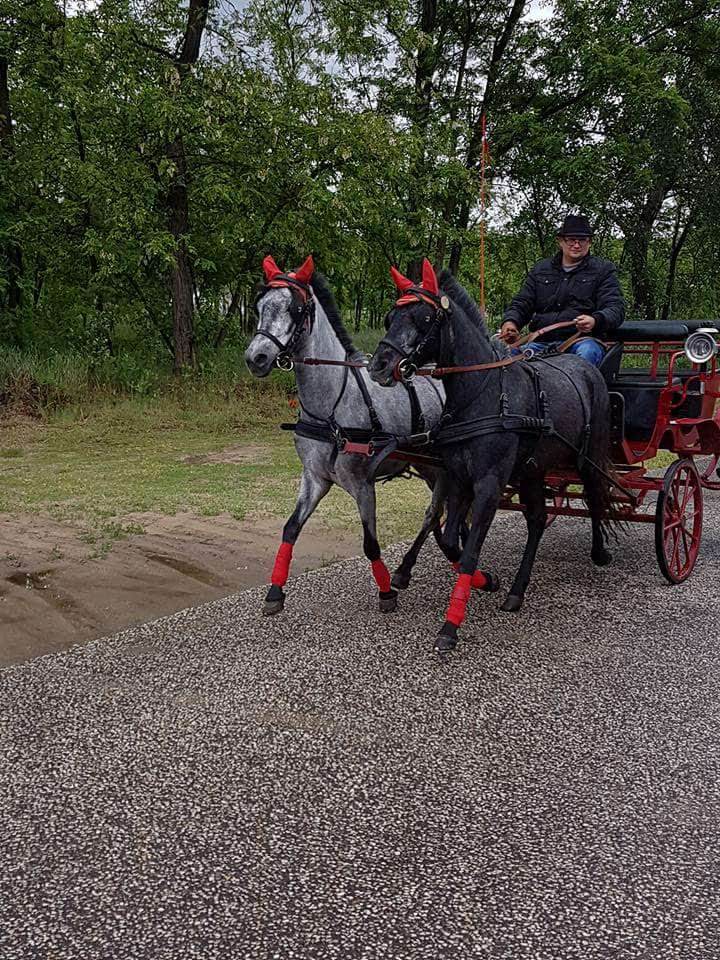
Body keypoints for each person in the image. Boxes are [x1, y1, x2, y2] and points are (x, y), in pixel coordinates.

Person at [499, 214, 625, 365]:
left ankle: (582, 389)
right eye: (571, 239)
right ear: (560, 241)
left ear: (589, 242)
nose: (576, 245)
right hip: (539, 343)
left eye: (582, 240)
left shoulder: (603, 270)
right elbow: (522, 303)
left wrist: (595, 320)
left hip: (581, 342)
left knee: (587, 352)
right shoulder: (540, 270)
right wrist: (510, 323)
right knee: (503, 357)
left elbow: (615, 308)